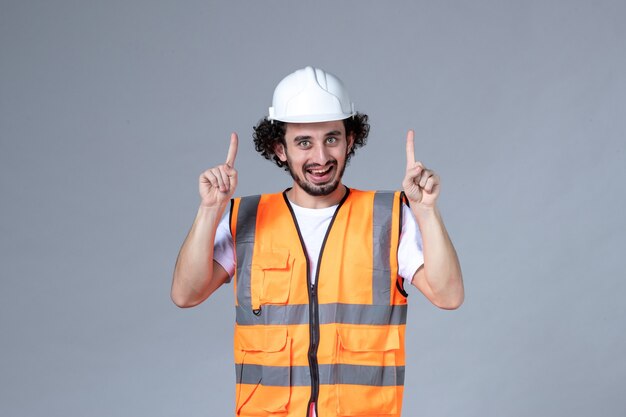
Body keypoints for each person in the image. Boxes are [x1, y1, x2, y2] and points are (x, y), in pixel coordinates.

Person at [171, 66, 464, 417]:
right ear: (280, 149)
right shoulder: (244, 217)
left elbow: (448, 296)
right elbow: (185, 294)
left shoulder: (389, 217)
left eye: (331, 138)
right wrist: (209, 210)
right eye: (304, 142)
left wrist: (427, 211)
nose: (321, 157)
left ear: (349, 140)